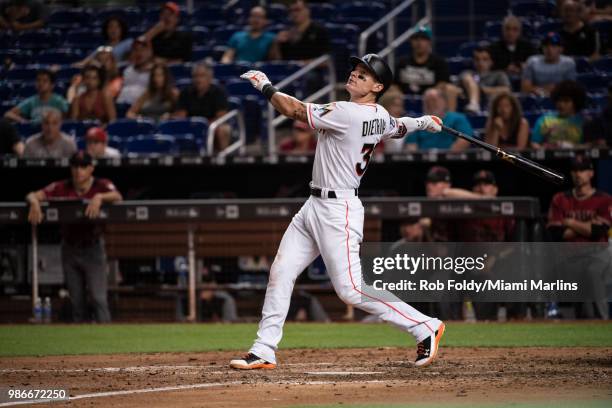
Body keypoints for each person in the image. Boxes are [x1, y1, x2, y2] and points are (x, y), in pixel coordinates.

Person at [231, 53, 445, 370]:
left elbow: (292, 109)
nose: (355, 75)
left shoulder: (347, 113)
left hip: (338, 209)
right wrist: (423, 123)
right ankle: (264, 349)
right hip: (314, 205)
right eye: (355, 71)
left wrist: (266, 86)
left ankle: (424, 325)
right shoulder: (379, 114)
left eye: (364, 74)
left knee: (351, 290)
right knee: (282, 271)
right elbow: (398, 127)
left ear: (378, 85)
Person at [26, 151, 123, 323]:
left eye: (83, 166)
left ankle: (109, 343)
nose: (79, 171)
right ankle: (81, 347)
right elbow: (33, 194)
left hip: (93, 248)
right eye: (75, 166)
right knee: (76, 301)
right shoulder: (62, 186)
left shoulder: (101, 185)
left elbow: (117, 197)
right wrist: (34, 202)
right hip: (70, 248)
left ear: (91, 168)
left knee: (98, 299)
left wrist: (99, 197)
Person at [547, 155, 611, 319]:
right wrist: (587, 225)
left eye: (582, 170)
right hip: (571, 255)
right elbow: (557, 234)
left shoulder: (604, 199)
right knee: (581, 304)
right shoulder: (560, 199)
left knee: (593, 272)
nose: (578, 174)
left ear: (591, 173)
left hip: (598, 253)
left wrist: (570, 222)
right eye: (575, 170)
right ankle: (586, 336)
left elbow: (599, 232)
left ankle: (603, 323)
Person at [173, 62, 231, 151]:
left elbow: (221, 117)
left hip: (212, 126)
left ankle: (221, 158)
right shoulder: (185, 93)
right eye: (195, 76)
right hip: (190, 126)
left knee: (223, 129)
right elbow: (181, 116)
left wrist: (205, 126)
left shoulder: (219, 92)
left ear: (209, 78)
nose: (198, 79)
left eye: (202, 76)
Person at [405, 88, 472, 151]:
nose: (431, 104)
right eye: (427, 101)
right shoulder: (418, 122)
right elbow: (411, 145)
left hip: (451, 160)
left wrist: (445, 158)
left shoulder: (457, 118)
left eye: (434, 100)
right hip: (424, 161)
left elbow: (465, 139)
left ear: (444, 102)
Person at [395, 26, 451, 96]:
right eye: (415, 39)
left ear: (429, 42)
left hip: (431, 100)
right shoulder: (402, 62)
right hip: (404, 100)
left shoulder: (439, 62)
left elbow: (443, 83)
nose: (419, 42)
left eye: (423, 39)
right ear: (411, 42)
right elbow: (395, 85)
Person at [531, 80, 586, 148]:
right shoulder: (544, 120)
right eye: (559, 100)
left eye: (566, 101)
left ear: (576, 102)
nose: (561, 104)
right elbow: (534, 143)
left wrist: (572, 146)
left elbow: (590, 146)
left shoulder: (584, 123)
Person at [521, 32, 577, 97]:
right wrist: (543, 90)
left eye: (553, 46)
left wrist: (541, 89)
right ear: (542, 48)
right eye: (546, 45)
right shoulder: (532, 61)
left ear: (561, 48)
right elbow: (525, 88)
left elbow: (571, 89)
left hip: (561, 99)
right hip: (537, 100)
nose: (549, 49)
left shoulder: (568, 63)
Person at [4, 69, 69, 123]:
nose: (40, 83)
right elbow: (8, 114)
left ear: (52, 85)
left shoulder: (60, 101)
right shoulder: (31, 101)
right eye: (38, 80)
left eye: (44, 81)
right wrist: (24, 121)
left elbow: (68, 119)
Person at [460, 46, 511, 114]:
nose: (480, 63)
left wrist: (481, 90)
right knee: (467, 77)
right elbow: (457, 90)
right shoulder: (467, 73)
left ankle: (475, 105)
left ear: (491, 61)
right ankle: (474, 104)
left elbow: (506, 90)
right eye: (477, 59)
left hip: (492, 110)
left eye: (485, 59)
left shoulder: (499, 74)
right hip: (468, 111)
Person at [117, 37, 154, 105]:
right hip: (122, 107)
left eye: (143, 49)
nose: (139, 53)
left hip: (143, 110)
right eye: (136, 50)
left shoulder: (156, 71)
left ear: (150, 52)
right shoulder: (127, 71)